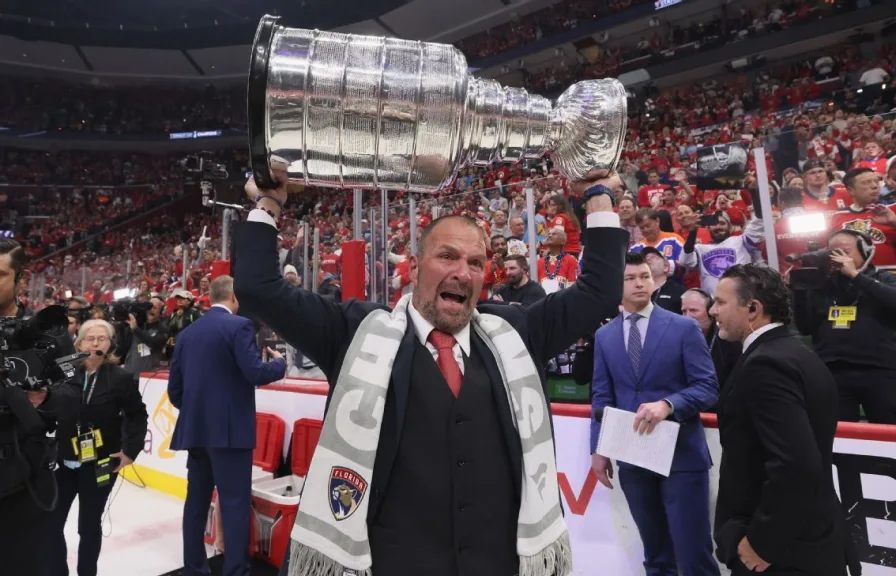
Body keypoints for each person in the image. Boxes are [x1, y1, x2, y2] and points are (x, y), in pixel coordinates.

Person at [235, 167, 626, 576]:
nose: (462, 272)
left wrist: (596, 195)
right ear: (416, 269)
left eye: (476, 262)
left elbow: (598, 291)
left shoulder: (516, 331)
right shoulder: (354, 332)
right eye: (447, 257)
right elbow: (259, 288)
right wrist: (268, 203)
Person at [710, 264, 855, 576]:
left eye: (720, 302)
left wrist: (762, 542)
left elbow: (795, 464)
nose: (712, 310)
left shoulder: (767, 364)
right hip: (807, 541)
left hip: (784, 553)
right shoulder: (796, 353)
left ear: (753, 308)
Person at [590, 252, 720, 576]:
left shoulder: (684, 328)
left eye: (644, 276)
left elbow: (708, 387)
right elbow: (602, 396)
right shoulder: (604, 337)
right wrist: (598, 448)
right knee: (657, 556)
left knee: (694, 555)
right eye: (630, 278)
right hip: (632, 457)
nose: (638, 283)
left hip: (681, 457)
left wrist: (669, 405)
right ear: (615, 285)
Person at [168, 275, 287, 576]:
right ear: (234, 297)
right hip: (230, 433)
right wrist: (280, 364)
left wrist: (200, 413)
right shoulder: (239, 326)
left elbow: (175, 391)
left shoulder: (187, 334)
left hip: (196, 432)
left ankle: (194, 568)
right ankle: (235, 570)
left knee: (196, 501)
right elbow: (254, 372)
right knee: (234, 502)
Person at [0, 238, 77, 575]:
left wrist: (45, 397)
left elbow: (75, 390)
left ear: (19, 279)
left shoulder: (52, 335)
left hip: (27, 481)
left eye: (0, 274)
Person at [48, 319, 148, 576]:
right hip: (64, 462)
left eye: (101, 338)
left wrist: (130, 450)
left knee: (89, 526)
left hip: (100, 464)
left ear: (110, 344)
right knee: (52, 523)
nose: (95, 343)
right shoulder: (64, 372)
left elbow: (137, 414)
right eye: (89, 338)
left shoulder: (120, 378)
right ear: (78, 343)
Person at [792, 229, 896, 424]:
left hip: (878, 371)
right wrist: (799, 291)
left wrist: (856, 276)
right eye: (833, 252)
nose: (838, 257)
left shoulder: (887, 279)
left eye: (845, 251)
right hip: (833, 371)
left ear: (865, 252)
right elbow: (806, 327)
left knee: (888, 432)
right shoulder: (823, 287)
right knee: (841, 438)